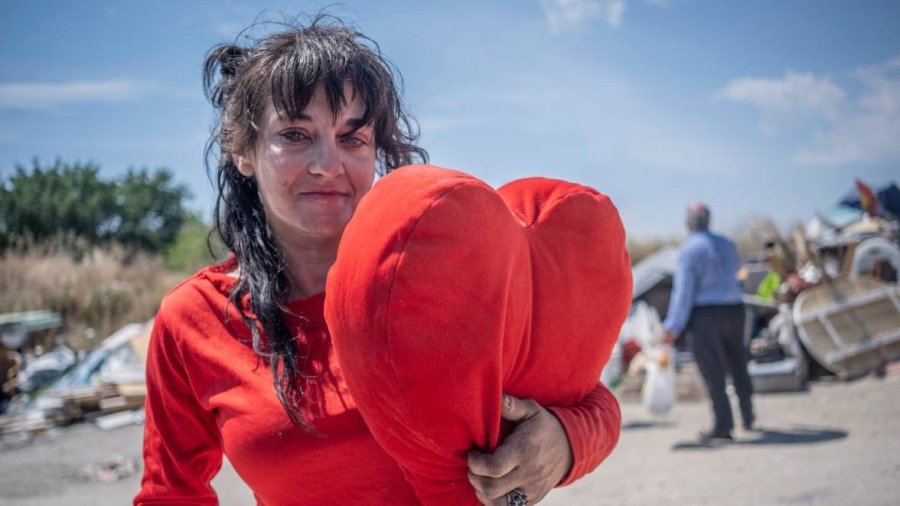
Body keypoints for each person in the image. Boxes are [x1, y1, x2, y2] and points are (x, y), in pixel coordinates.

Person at [134, 15, 623, 506]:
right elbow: (168, 494)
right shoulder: (193, 318)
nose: (328, 164)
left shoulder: (437, 276)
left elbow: (587, 395)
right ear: (243, 151)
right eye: (296, 135)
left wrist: (564, 443)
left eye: (352, 138)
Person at [662, 203, 754, 443]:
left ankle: (724, 425)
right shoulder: (728, 245)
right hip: (735, 310)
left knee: (713, 372)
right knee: (738, 363)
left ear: (689, 223)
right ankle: (748, 415)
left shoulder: (689, 249)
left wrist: (673, 327)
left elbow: (683, 292)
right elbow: (739, 276)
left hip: (705, 315)